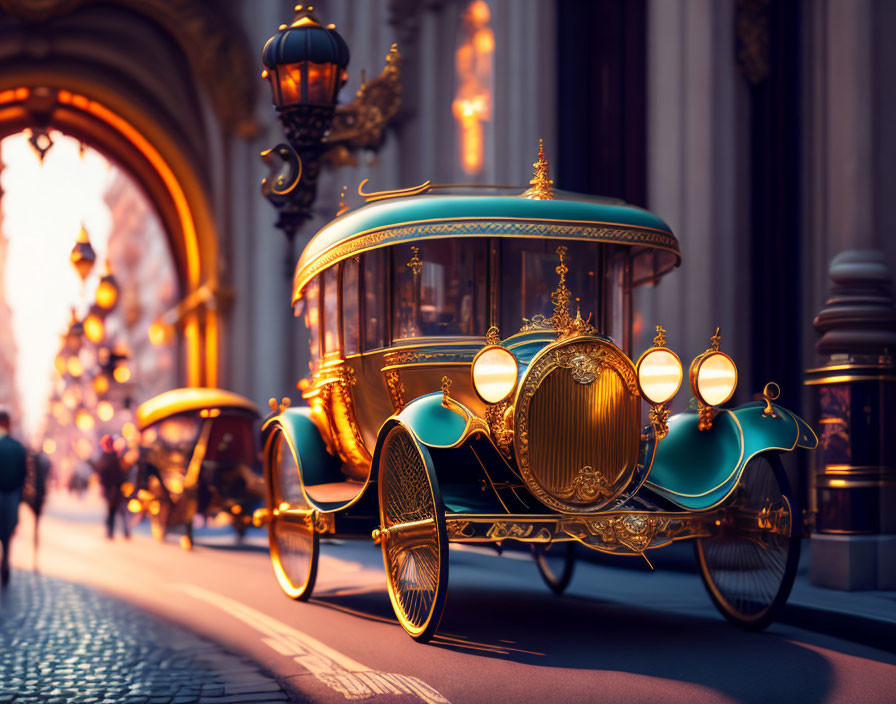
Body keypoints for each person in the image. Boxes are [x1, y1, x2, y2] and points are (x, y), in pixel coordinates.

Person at [0, 409, 27, 587]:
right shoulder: (18, 448)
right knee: (7, 535)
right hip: (11, 496)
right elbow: (23, 477)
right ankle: (5, 562)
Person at [93, 434, 130, 539]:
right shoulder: (115, 457)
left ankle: (114, 531)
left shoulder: (111, 457)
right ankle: (119, 531)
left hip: (113, 488)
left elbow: (101, 471)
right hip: (114, 488)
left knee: (113, 511)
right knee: (116, 511)